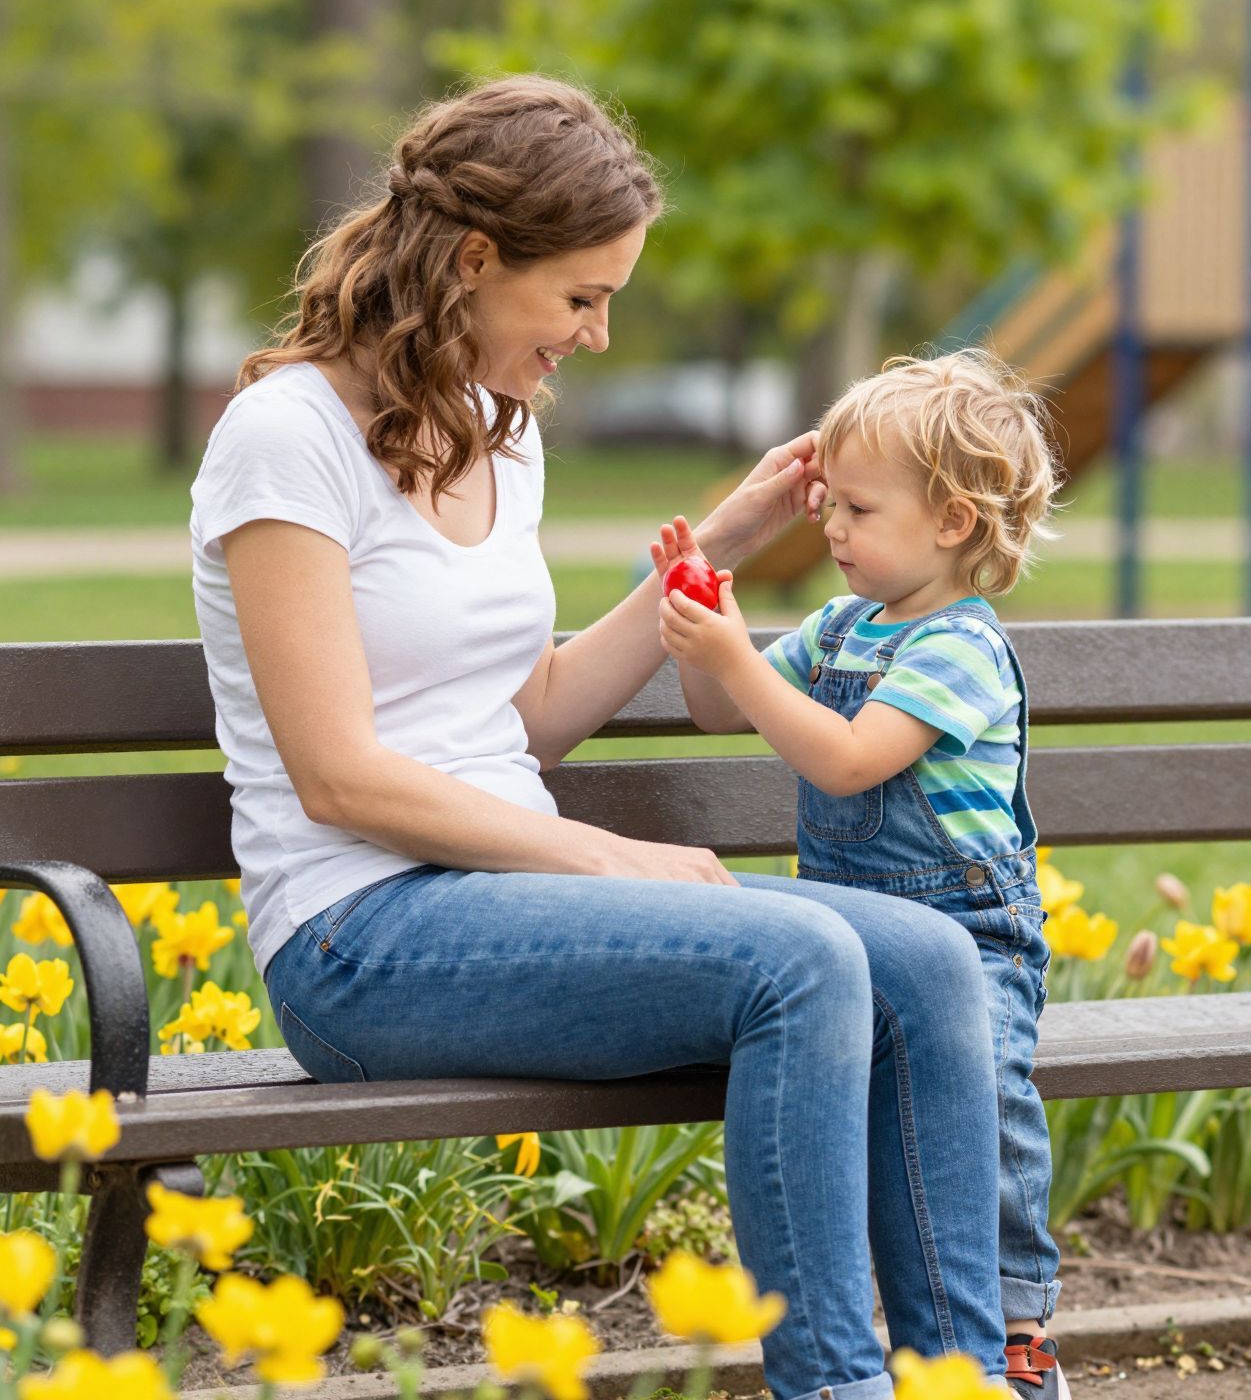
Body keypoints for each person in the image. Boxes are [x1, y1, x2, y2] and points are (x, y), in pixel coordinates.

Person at [188, 74, 1008, 1400]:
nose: (601, 335)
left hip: (497, 896)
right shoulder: (287, 440)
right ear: (473, 261)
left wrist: (726, 539)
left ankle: (970, 1379)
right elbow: (340, 775)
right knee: (799, 959)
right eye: (581, 297)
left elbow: (537, 715)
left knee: (924, 959)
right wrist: (609, 863)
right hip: (359, 938)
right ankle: (841, 1391)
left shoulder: (501, 436)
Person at [651, 350, 1070, 1400]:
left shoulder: (959, 647)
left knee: (986, 1098)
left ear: (952, 522)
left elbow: (845, 759)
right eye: (827, 505)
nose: (829, 530)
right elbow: (717, 712)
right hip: (850, 937)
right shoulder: (842, 629)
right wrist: (703, 627)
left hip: (966, 936)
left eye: (858, 510)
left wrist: (740, 661)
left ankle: (1017, 1330)